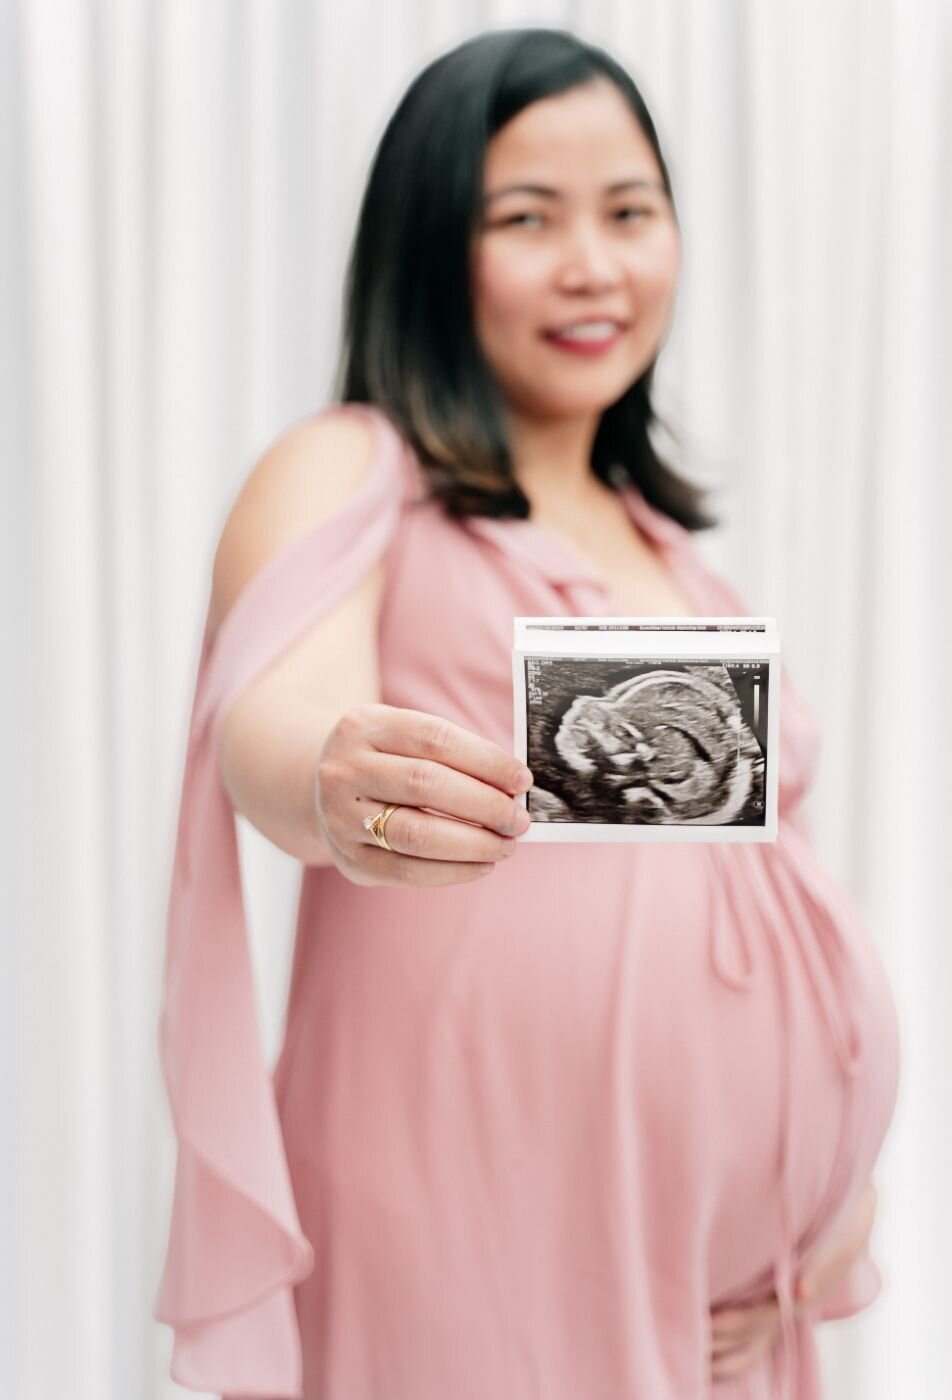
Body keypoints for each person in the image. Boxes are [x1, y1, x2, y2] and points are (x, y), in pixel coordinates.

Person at [152, 27, 900, 1399]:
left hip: (728, 1299)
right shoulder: (355, 470)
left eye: (630, 213)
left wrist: (829, 1201)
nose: (594, 266)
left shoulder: (677, 556)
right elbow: (271, 717)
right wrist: (332, 778)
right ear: (434, 247)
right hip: (477, 1213)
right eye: (526, 218)